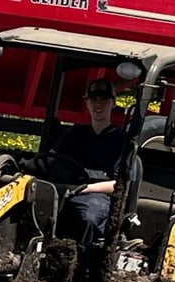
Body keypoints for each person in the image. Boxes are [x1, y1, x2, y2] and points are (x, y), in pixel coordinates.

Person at [37, 78, 128, 254]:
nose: (98, 104)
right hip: (67, 188)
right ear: (86, 102)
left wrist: (85, 188)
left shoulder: (121, 139)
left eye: (104, 100)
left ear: (113, 103)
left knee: (89, 216)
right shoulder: (76, 133)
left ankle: (81, 259)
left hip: (97, 194)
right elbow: (54, 160)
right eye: (93, 99)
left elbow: (118, 184)